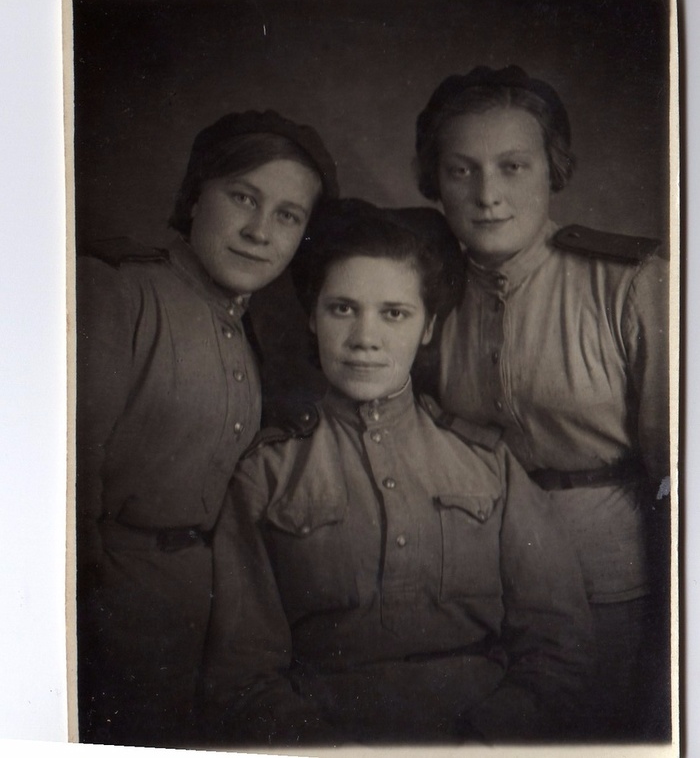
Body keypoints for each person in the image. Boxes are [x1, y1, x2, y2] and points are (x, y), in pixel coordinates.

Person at [202, 198, 592, 747]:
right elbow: (242, 676)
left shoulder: (489, 463)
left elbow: (560, 647)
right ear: (312, 317)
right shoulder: (266, 474)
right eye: (342, 309)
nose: (365, 337)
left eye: (394, 313)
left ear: (428, 326)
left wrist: (485, 742)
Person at [413, 65, 671, 740]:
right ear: (435, 182)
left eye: (513, 166)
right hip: (477, 588)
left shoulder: (630, 284)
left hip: (612, 584)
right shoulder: (420, 292)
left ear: (552, 170)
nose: (487, 195)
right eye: (461, 170)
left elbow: (681, 479)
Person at [75, 109, 338, 747]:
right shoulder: (117, 289)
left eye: (287, 215)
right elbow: (61, 484)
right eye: (243, 198)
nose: (259, 231)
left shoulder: (253, 323)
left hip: (212, 607)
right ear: (196, 194)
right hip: (111, 604)